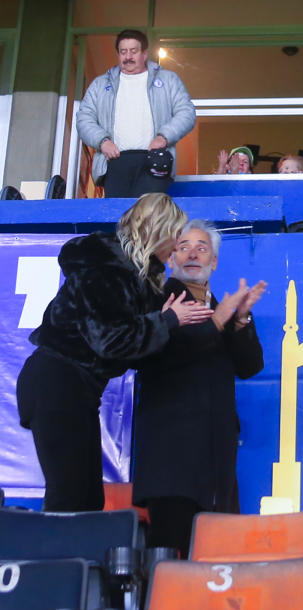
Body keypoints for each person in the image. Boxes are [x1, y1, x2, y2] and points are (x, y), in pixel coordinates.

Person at [15, 195, 213, 511]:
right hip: (57, 380)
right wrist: (168, 320)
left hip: (76, 388)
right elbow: (108, 340)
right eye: (175, 234)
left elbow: (133, 351)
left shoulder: (138, 278)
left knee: (86, 499)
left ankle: (72, 559)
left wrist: (172, 324)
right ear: (158, 231)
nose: (178, 244)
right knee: (70, 496)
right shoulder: (104, 268)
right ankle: (54, 560)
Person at [133, 220, 267, 553]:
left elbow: (250, 367)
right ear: (170, 258)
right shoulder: (156, 301)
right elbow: (160, 357)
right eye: (183, 246)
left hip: (216, 461)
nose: (193, 253)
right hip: (172, 461)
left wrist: (239, 319)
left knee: (216, 563)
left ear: (215, 262)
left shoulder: (221, 305)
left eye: (202, 247)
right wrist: (219, 320)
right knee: (169, 562)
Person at [76, 29, 196, 198]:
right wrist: (102, 142)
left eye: (134, 51)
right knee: (119, 219)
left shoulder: (168, 80)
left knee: (149, 217)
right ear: (118, 54)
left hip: (153, 160)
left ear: (145, 54)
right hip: (114, 162)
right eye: (123, 52)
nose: (128, 57)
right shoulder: (100, 84)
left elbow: (187, 112)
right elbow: (83, 119)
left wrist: (164, 137)